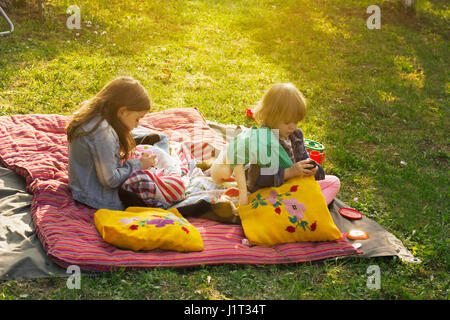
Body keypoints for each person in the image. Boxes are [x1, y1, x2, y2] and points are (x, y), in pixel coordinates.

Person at [210, 83, 340, 207]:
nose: (293, 127)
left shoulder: (296, 135)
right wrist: (288, 172)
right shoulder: (262, 140)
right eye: (287, 122)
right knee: (265, 199)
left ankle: (308, 205)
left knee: (334, 181)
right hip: (272, 191)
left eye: (296, 122)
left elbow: (303, 160)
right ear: (270, 117)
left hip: (296, 187)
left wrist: (314, 169)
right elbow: (255, 180)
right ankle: (305, 206)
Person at [66, 76, 157, 211]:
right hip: (97, 198)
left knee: (149, 137)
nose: (138, 124)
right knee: (151, 187)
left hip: (82, 187)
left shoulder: (94, 115)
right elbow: (110, 180)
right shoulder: (103, 133)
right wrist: (139, 164)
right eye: (137, 119)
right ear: (122, 111)